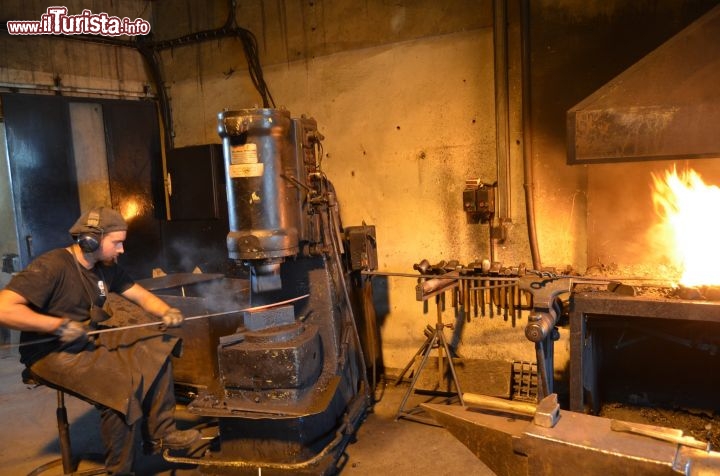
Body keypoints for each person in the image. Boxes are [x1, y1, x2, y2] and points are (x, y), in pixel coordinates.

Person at [0, 207, 200, 475]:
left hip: (84, 342)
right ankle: (120, 470)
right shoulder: (52, 266)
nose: (121, 250)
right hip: (49, 353)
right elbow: (4, 308)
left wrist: (165, 311)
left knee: (158, 344)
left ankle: (161, 432)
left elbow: (139, 294)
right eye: (116, 242)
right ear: (90, 241)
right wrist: (56, 326)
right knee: (119, 390)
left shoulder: (105, 268)